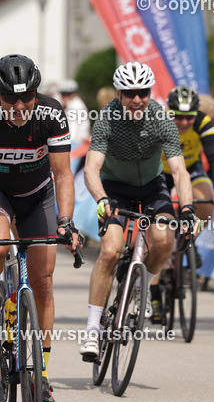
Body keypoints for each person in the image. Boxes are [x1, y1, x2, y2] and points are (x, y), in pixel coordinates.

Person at [0, 54, 81, 402]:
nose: (18, 107)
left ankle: (41, 377)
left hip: (38, 196)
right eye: (9, 100)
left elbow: (63, 175)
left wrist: (65, 222)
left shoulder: (51, 113)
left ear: (36, 93)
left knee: (43, 281)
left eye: (25, 97)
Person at [78, 62, 194, 359]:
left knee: (165, 239)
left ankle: (144, 285)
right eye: (130, 93)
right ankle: (92, 330)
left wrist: (189, 209)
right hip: (115, 188)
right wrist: (102, 199)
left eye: (142, 92)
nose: (137, 99)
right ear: (119, 93)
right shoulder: (107, 118)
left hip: (153, 187)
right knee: (110, 251)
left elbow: (179, 171)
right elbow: (91, 168)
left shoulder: (161, 119)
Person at [162, 86, 214, 225]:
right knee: (160, 217)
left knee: (207, 206)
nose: (184, 122)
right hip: (162, 171)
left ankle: (188, 242)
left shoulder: (202, 122)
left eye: (189, 117)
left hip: (191, 168)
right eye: (178, 116)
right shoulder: (161, 121)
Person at [58, 79, 90, 145]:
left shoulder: (75, 106)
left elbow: (72, 132)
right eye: (63, 94)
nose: (65, 97)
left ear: (74, 93)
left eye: (68, 94)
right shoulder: (72, 104)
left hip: (77, 143)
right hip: (77, 142)